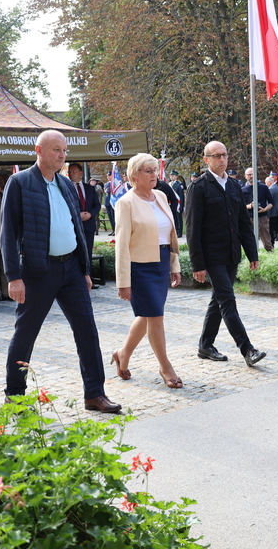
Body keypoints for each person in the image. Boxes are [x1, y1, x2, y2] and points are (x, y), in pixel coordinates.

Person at [0, 129, 121, 413]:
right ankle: (15, 396)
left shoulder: (65, 184)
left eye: (64, 151)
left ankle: (94, 394)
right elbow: (7, 233)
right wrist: (13, 277)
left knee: (87, 331)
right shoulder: (19, 183)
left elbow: (76, 228)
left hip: (71, 271)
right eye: (56, 150)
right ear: (38, 150)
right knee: (25, 334)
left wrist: (85, 268)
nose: (62, 156)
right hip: (37, 272)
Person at [185, 141, 266, 367]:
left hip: (232, 254)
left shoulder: (233, 186)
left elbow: (243, 223)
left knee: (218, 301)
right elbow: (192, 229)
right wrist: (197, 264)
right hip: (212, 257)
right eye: (217, 156)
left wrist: (252, 254)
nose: (222, 159)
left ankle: (205, 345)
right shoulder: (199, 187)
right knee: (228, 301)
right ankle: (247, 349)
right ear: (206, 160)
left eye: (225, 155)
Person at [112, 153, 183, 388]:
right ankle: (165, 367)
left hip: (161, 262)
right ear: (135, 176)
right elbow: (121, 244)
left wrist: (174, 265)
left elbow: (168, 235)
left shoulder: (161, 196)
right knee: (155, 317)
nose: (155, 175)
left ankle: (123, 354)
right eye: (148, 171)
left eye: (155, 170)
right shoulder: (126, 202)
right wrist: (123, 281)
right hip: (140, 268)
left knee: (147, 316)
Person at [67, 163, 101, 282]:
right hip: (73, 226)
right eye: (70, 172)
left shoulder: (90, 188)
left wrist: (90, 214)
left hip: (88, 226)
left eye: (74, 171)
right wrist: (76, 215)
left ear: (81, 173)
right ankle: (76, 279)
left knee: (87, 252)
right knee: (75, 253)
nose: (71, 174)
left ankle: (88, 278)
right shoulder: (67, 188)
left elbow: (97, 205)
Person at [242, 167, 273, 252]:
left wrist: (265, 209)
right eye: (249, 174)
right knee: (250, 241)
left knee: (267, 242)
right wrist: (249, 206)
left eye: (253, 174)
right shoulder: (243, 190)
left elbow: (271, 202)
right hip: (249, 218)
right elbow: (239, 205)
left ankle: (271, 257)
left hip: (262, 217)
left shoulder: (263, 187)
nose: (251, 176)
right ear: (245, 176)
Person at [169, 170, 185, 237]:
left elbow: (181, 196)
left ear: (176, 177)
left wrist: (181, 206)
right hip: (172, 204)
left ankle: (179, 232)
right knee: (174, 218)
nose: (171, 177)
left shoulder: (179, 184)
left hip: (178, 204)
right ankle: (175, 231)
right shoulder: (169, 184)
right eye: (171, 176)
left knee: (179, 219)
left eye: (173, 176)